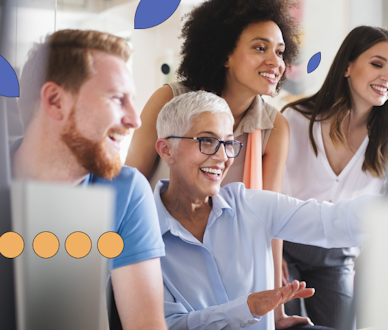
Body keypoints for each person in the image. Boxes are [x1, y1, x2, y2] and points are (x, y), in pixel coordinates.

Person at [126, 0, 301, 327]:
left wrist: (276, 309)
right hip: (167, 260)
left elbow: (271, 224)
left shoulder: (275, 127)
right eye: (260, 47)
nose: (274, 61)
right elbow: (130, 188)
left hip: (234, 270)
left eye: (279, 51)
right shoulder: (170, 101)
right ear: (224, 53)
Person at [280, 26, 388, 329]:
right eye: (377, 64)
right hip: (286, 247)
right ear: (347, 66)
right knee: (288, 325)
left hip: (338, 256)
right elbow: (269, 194)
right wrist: (269, 257)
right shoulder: (295, 119)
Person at [153, 90, 372, 330]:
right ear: (166, 150)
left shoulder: (250, 206)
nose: (222, 156)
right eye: (207, 141)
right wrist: (245, 308)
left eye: (228, 143)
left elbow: (331, 221)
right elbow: (167, 326)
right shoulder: (145, 234)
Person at [12, 29, 167, 330]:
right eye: (116, 98)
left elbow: (146, 325)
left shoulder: (127, 190)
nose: (135, 120)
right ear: (55, 101)